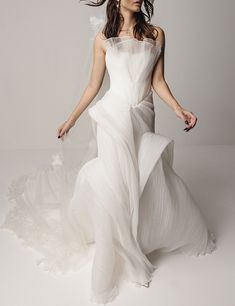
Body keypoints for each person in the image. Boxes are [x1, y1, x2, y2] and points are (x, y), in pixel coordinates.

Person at [1, 0, 216, 304]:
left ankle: (137, 239)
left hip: (143, 115)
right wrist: (71, 118)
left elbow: (157, 81)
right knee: (116, 181)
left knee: (142, 176)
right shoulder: (102, 38)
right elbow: (93, 85)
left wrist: (180, 110)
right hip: (113, 117)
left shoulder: (157, 34)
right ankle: (119, 251)